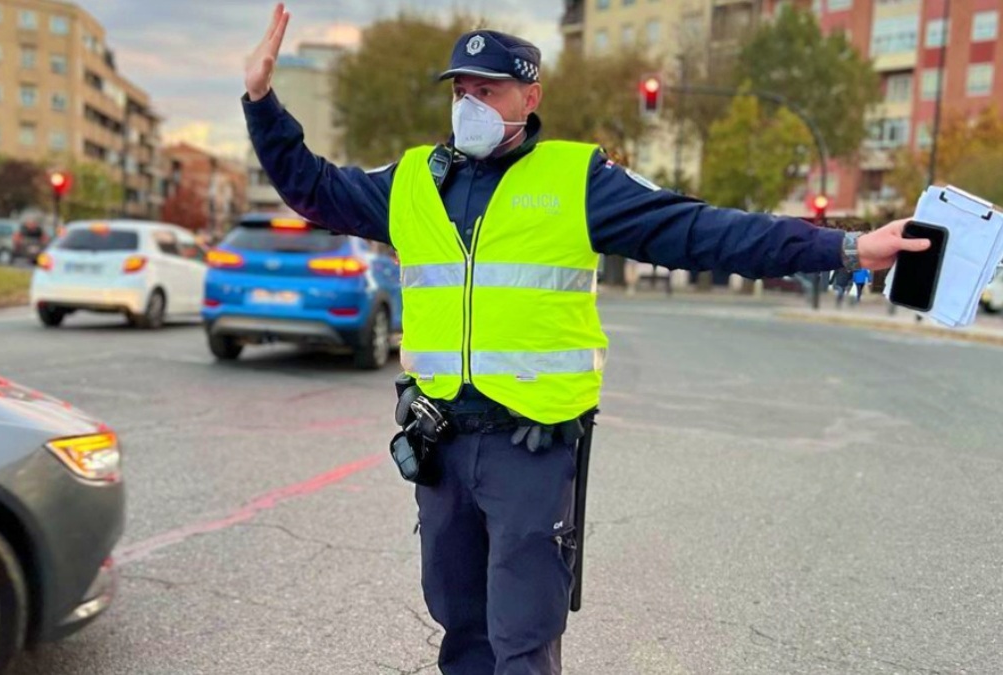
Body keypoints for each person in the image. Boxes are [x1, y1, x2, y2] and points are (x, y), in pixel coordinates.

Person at [243, 6, 929, 674]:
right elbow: (312, 188)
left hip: (529, 450)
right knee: (460, 630)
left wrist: (844, 247)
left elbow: (704, 229)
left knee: (522, 640)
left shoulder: (578, 179)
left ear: (529, 94)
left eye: (487, 89)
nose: (469, 102)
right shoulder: (413, 182)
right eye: (460, 90)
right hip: (441, 444)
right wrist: (262, 101)